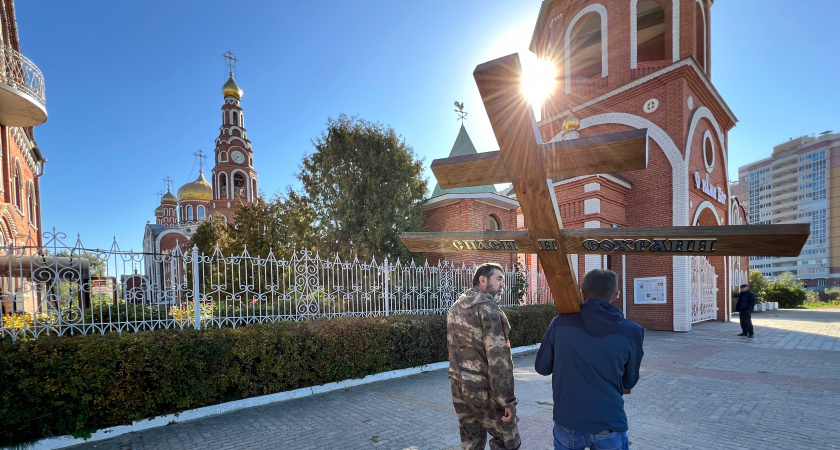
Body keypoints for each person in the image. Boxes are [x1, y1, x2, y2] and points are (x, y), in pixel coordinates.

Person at [535, 269, 644, 450]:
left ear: (583, 294)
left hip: (567, 421)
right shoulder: (632, 331)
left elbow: (542, 367)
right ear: (616, 295)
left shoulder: (559, 323)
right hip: (608, 422)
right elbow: (629, 381)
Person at [447, 262, 521, 450]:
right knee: (509, 440)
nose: (502, 284)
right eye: (498, 279)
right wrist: (507, 402)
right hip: (482, 390)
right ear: (482, 280)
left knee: (471, 442)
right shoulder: (488, 309)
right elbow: (499, 360)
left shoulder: (455, 307)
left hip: (458, 386)